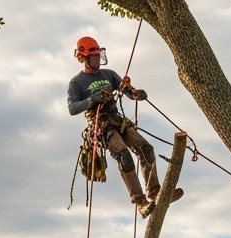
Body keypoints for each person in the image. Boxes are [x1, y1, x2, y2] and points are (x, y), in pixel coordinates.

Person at [67, 35, 182, 217]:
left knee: (146, 148)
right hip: (101, 126)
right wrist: (92, 99)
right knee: (124, 156)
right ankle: (140, 201)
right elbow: (72, 108)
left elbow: (127, 91)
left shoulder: (109, 74)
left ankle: (154, 191)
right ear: (84, 58)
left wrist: (137, 94)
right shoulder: (76, 82)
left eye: (98, 56)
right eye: (94, 57)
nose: (98, 60)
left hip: (117, 120)